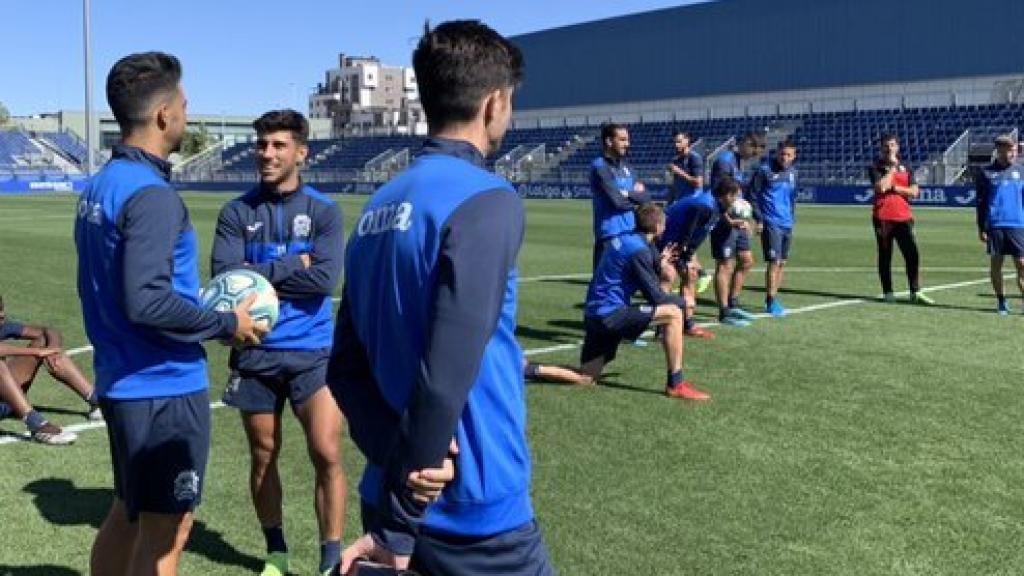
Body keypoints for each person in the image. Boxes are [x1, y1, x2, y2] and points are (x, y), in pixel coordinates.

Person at [326, 20, 555, 576]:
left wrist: (395, 463)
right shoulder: (489, 199)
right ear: (495, 102)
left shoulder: (379, 207)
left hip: (388, 488)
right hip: (469, 512)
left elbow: (343, 371)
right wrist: (402, 521)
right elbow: (446, 374)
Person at [75, 52, 264, 576]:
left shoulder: (102, 184)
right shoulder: (151, 195)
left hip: (121, 379)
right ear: (163, 115)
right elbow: (148, 301)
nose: (186, 110)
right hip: (160, 387)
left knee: (127, 512)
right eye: (183, 102)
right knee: (167, 532)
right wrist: (230, 324)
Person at [211, 110, 347, 576]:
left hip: (313, 350)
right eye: (262, 145)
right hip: (255, 351)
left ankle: (331, 558)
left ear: (301, 152)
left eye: (278, 145)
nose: (266, 154)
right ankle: (276, 552)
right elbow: (224, 282)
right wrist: (294, 266)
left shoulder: (324, 212)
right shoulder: (236, 212)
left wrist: (258, 278)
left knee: (327, 450)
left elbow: (326, 279)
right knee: (264, 454)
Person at [582, 202, 710, 400]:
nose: (666, 226)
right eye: (664, 222)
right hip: (610, 315)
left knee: (586, 377)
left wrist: (660, 263)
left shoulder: (629, 239)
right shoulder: (640, 249)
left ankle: (531, 369)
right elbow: (656, 298)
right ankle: (676, 383)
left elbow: (638, 269)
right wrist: (685, 301)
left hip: (595, 313)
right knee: (674, 313)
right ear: (657, 226)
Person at [659, 177, 743, 339]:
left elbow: (697, 233)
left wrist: (688, 254)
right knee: (668, 276)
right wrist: (683, 252)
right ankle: (662, 328)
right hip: (668, 239)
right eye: (734, 196)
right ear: (725, 195)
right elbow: (687, 230)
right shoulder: (704, 206)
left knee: (691, 275)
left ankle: (687, 324)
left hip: (680, 241)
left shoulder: (717, 205)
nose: (736, 200)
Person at [868, 133, 935, 304]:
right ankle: (888, 292)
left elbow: (914, 192)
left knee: (912, 254)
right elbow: (881, 188)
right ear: (881, 148)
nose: (889, 148)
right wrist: (892, 168)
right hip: (883, 216)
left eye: (892, 145)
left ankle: (915, 292)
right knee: (885, 255)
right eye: (886, 145)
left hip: (904, 216)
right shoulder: (876, 167)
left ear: (897, 147)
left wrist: (895, 187)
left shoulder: (907, 167)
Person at [708, 132, 764, 326]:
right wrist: (728, 220)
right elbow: (718, 195)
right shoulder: (724, 162)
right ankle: (724, 311)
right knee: (724, 265)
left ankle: (733, 303)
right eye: (752, 152)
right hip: (725, 221)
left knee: (746, 260)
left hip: (738, 222)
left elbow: (735, 195)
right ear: (745, 144)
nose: (752, 157)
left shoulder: (738, 161)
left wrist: (745, 218)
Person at [974, 134, 1024, 315]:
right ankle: (1002, 301)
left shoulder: (1022, 171)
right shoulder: (986, 172)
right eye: (1006, 149)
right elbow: (980, 202)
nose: (1010, 153)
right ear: (999, 150)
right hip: (996, 225)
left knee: (1022, 264)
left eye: (1012, 149)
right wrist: (981, 227)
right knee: (997, 264)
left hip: (1018, 224)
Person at [590, 122, 650, 270]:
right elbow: (617, 202)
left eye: (627, 140)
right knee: (603, 289)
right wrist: (634, 197)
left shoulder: (627, 167)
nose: (627, 144)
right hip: (610, 235)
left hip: (631, 233)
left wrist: (626, 193)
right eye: (622, 140)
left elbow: (646, 197)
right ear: (609, 141)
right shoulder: (600, 167)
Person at [749, 139, 798, 317]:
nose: (785, 158)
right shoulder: (764, 170)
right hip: (771, 223)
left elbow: (792, 198)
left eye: (789, 155)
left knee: (782, 263)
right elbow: (752, 196)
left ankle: (774, 297)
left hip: (787, 223)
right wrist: (759, 219)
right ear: (777, 153)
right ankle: (770, 300)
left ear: (794, 156)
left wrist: (792, 217)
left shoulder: (793, 173)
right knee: (774, 261)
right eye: (782, 154)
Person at [667, 130, 704, 205]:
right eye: (675, 142)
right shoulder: (675, 160)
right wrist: (669, 203)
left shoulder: (694, 158)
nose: (676, 145)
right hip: (681, 201)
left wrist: (679, 172)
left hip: (693, 202)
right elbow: (674, 184)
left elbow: (698, 183)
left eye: (679, 142)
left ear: (687, 141)